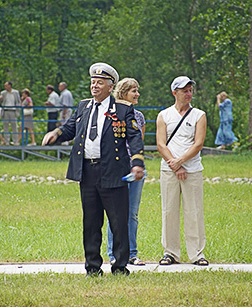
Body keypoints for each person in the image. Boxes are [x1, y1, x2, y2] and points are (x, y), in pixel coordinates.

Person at [42, 63, 145, 277]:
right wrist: (56, 133)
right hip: (87, 171)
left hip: (114, 172)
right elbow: (70, 128)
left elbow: (134, 136)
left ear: (111, 86)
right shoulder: (83, 107)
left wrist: (137, 162)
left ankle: (119, 267)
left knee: (118, 222)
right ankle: (92, 267)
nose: (94, 86)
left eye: (99, 83)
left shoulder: (123, 109)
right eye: (92, 82)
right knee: (91, 222)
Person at [156, 76, 208, 266]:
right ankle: (170, 252)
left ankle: (197, 253)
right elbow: (160, 144)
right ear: (174, 93)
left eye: (190, 90)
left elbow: (198, 143)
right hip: (169, 170)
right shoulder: (164, 115)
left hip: (192, 170)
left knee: (193, 211)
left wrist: (181, 162)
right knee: (169, 210)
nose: (188, 94)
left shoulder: (199, 115)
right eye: (184, 90)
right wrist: (174, 164)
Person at [106, 78, 146, 266]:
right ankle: (114, 253)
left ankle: (132, 253)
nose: (137, 94)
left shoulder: (139, 116)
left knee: (132, 213)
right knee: (114, 212)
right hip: (117, 169)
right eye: (133, 91)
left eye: (137, 91)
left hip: (135, 170)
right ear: (123, 92)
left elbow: (139, 143)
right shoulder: (111, 113)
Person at [0, 81, 21, 145]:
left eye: (6, 85)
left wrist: (18, 110)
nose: (5, 87)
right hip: (6, 110)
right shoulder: (3, 93)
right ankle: (6, 141)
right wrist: (0, 99)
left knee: (14, 126)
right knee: (5, 127)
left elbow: (18, 102)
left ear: (10, 86)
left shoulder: (15, 92)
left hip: (13, 110)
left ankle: (15, 141)